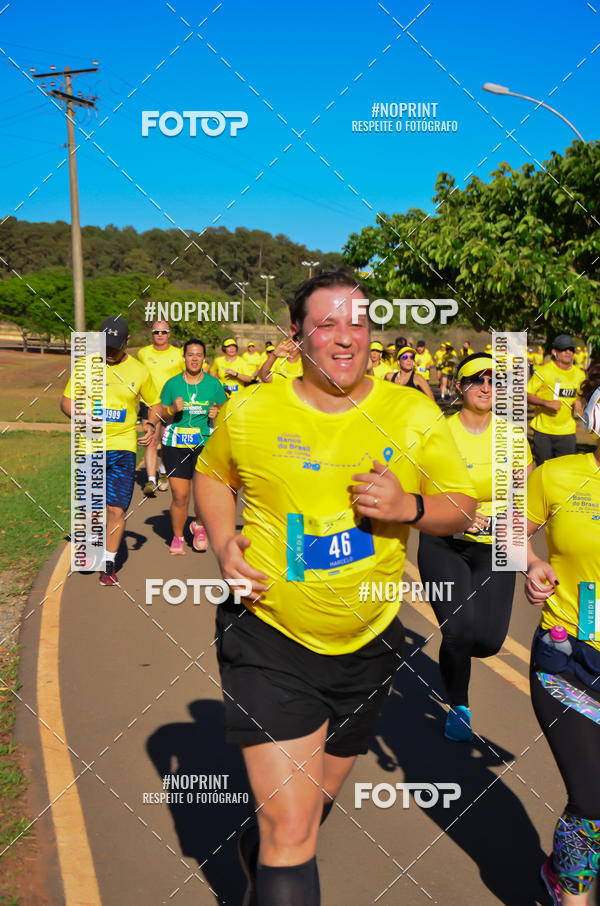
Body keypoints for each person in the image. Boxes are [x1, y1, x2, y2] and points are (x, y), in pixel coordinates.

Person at [193, 270, 477, 906]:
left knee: (307, 810)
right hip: (269, 635)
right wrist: (221, 540)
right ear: (297, 335)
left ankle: (258, 849)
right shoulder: (253, 409)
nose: (346, 338)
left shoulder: (410, 411)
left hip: (371, 644)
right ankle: (272, 852)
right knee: (293, 830)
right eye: (327, 324)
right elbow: (212, 475)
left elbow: (462, 507)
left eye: (358, 322)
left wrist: (410, 507)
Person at [417, 353, 533, 741]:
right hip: (443, 544)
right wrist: (457, 513)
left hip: (493, 547)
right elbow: (417, 489)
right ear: (459, 386)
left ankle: (459, 660)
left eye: (494, 380)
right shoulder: (437, 431)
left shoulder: (514, 436)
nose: (487, 387)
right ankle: (459, 707)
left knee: (488, 641)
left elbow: (524, 492)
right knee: (459, 631)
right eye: (476, 379)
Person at [525, 361, 600, 906]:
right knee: (593, 798)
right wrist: (529, 563)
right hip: (567, 657)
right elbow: (509, 531)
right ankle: (569, 887)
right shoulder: (558, 475)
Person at [61, 316, 158, 586]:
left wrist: (149, 422)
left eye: (115, 347)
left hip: (123, 447)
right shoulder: (85, 366)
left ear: (127, 342)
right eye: (105, 346)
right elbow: (66, 401)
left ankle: (108, 563)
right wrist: (82, 414)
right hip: (90, 445)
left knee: (116, 509)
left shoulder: (139, 371)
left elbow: (154, 403)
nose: (109, 353)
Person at [147, 339, 226, 554]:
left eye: (198, 355)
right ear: (184, 357)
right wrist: (171, 408)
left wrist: (216, 413)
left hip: (204, 445)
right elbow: (161, 413)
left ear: (204, 358)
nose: (194, 359)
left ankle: (199, 525)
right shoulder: (172, 384)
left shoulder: (213, 384)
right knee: (180, 495)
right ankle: (178, 536)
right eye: (190, 354)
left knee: (202, 496)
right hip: (175, 445)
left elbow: (225, 411)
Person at [137, 320, 184, 498]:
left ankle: (163, 471)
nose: (160, 335)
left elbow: (184, 376)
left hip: (169, 404)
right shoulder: (143, 353)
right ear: (152, 334)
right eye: (156, 332)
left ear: (169, 334)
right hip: (149, 403)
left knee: (165, 440)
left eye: (163, 332)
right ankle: (150, 480)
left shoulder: (179, 354)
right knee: (151, 438)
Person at [527, 334, 585, 465]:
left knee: (565, 470)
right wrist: (545, 403)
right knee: (544, 469)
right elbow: (526, 394)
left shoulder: (579, 375)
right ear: (554, 352)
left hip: (567, 432)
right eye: (563, 349)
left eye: (570, 349)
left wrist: (579, 402)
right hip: (543, 431)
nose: (568, 352)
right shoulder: (543, 372)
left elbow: (582, 396)